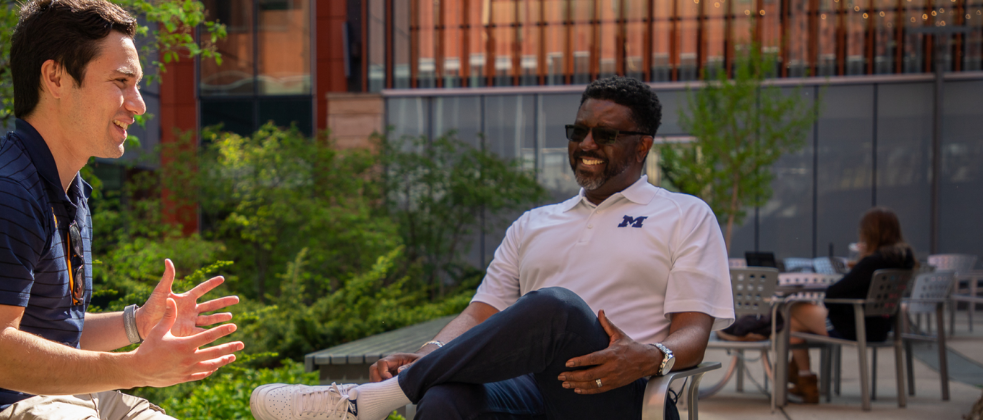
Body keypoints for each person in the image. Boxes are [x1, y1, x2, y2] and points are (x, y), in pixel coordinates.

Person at [248, 77, 735, 420]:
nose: (586, 142)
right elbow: (482, 312)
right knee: (443, 400)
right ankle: (389, 394)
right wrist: (430, 352)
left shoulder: (685, 215)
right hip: (528, 387)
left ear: (642, 145)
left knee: (556, 307)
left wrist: (650, 357)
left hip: (618, 390)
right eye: (578, 131)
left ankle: (370, 400)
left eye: (604, 135)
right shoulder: (534, 222)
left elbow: (693, 334)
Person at [0, 1, 244, 419]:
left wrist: (137, 323)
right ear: (56, 77)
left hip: (63, 399)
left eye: (136, 85)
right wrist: (135, 367)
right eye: (121, 81)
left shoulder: (70, 191)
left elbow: (51, 338)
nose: (138, 105)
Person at [784, 207, 916, 404]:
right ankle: (802, 379)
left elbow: (832, 294)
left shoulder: (873, 261)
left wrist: (860, 262)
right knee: (795, 324)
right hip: (881, 327)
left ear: (869, 232)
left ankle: (804, 379)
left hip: (854, 327)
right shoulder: (904, 259)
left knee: (792, 309)